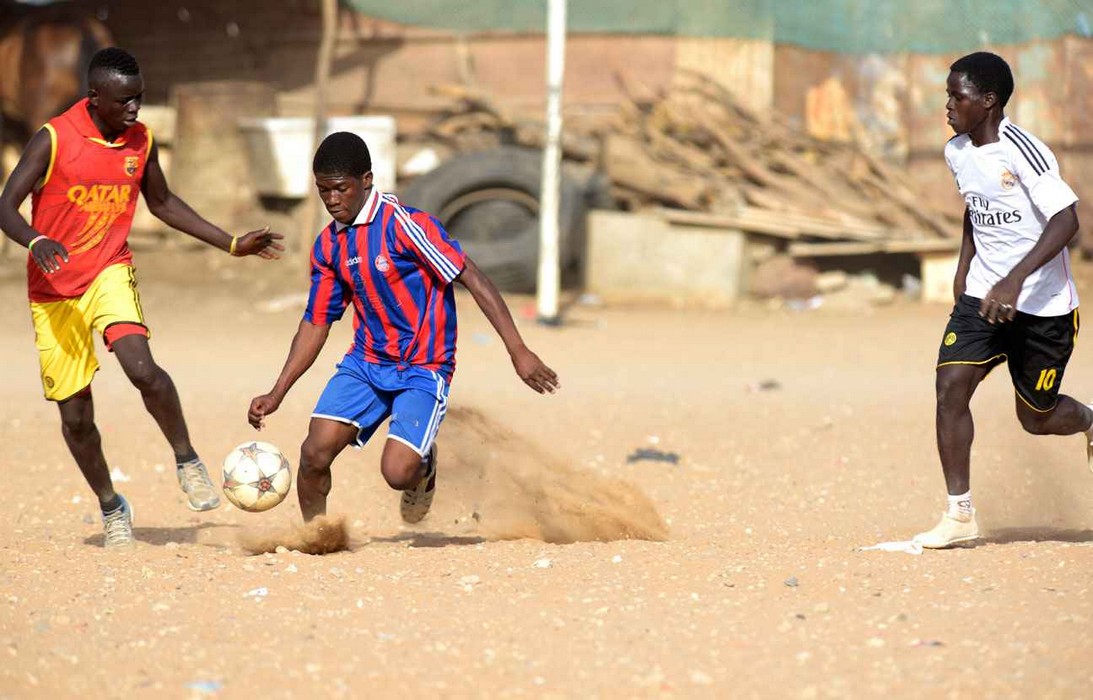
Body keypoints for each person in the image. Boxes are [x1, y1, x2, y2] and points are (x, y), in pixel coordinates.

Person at [0, 48, 284, 548]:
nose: (136, 109)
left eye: (141, 98)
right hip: (52, 289)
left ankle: (186, 458)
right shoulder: (54, 138)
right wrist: (36, 239)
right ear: (94, 98)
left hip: (109, 270)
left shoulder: (142, 140)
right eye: (126, 100)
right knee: (76, 418)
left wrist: (232, 243)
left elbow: (164, 203)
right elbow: (5, 205)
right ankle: (112, 506)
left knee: (142, 369)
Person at [247, 131, 558, 524]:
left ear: (366, 180)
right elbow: (316, 323)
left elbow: (473, 278)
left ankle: (423, 468)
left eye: (340, 189)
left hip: (423, 367)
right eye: (323, 191)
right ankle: (315, 536)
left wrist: (519, 351)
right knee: (314, 453)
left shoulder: (406, 226)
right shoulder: (329, 246)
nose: (331, 200)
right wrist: (277, 391)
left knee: (397, 473)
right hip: (367, 363)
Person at [915, 51, 1092, 548]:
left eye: (957, 96)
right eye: (947, 94)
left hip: (1044, 307)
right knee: (950, 388)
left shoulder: (1023, 151)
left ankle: (1089, 421)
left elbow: (1067, 221)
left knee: (1037, 418)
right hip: (982, 299)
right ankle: (959, 513)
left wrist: (1014, 280)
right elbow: (976, 208)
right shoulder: (956, 151)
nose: (948, 105)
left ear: (988, 101)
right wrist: (964, 266)